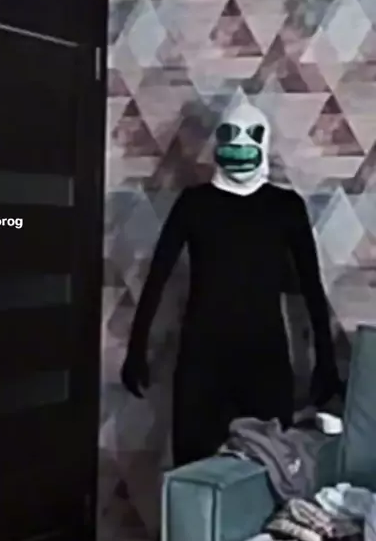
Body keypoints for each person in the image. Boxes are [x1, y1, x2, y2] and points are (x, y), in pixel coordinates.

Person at [121, 100, 343, 467]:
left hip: (264, 359)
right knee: (194, 470)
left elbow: (310, 287)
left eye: (250, 135)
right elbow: (157, 276)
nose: (240, 145)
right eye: (230, 134)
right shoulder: (194, 203)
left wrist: (326, 361)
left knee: (270, 470)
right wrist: (136, 349)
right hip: (202, 361)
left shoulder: (285, 206)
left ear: (263, 141)